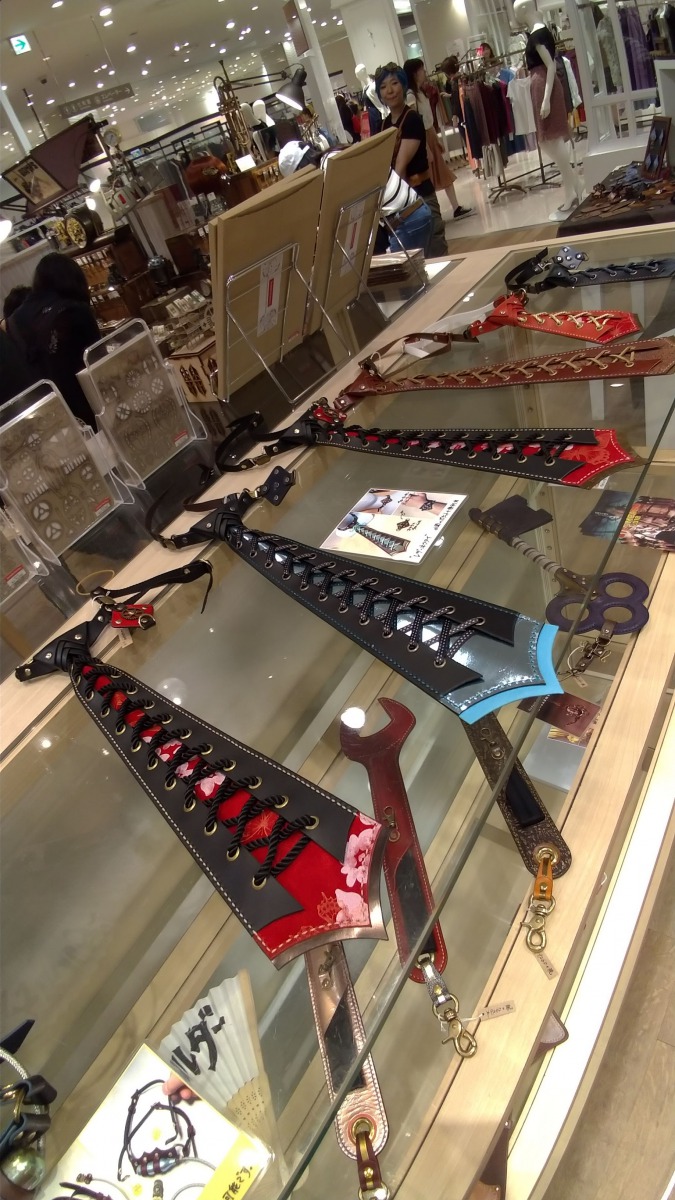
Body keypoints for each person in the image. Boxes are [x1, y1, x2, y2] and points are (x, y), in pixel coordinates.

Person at [7, 253, 101, 427]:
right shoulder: (75, 310)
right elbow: (98, 358)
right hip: (89, 402)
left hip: (48, 413)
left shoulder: (14, 321)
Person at [375, 63, 449, 256]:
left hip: (420, 198)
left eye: (394, 83)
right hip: (399, 205)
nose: (390, 91)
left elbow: (399, 168)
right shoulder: (383, 125)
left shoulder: (412, 119)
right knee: (412, 264)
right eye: (383, 87)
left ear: (403, 84)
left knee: (436, 257)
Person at [403, 57, 471, 220]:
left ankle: (454, 207)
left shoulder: (420, 92)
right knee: (430, 176)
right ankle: (434, 213)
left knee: (441, 172)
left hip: (429, 134)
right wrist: (426, 145)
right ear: (415, 73)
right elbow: (415, 122)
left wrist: (435, 137)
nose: (425, 72)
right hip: (423, 138)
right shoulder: (411, 95)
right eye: (421, 70)